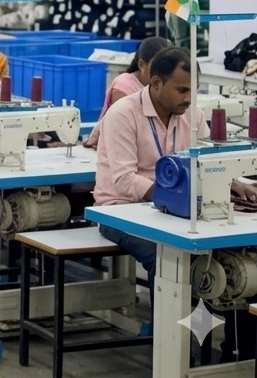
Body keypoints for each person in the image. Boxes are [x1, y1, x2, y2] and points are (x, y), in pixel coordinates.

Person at [94, 48, 257, 291]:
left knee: (232, 256)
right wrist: (176, 197)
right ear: (157, 83)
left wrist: (232, 183)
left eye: (194, 90)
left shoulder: (193, 115)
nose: (190, 99)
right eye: (182, 90)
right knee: (166, 259)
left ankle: (211, 326)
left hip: (177, 211)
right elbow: (124, 180)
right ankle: (164, 328)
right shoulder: (123, 114)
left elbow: (207, 164)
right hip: (121, 212)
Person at [85, 36, 173, 148]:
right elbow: (121, 127)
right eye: (156, 68)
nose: (162, 74)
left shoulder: (164, 86)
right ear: (141, 65)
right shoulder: (123, 86)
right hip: (119, 146)